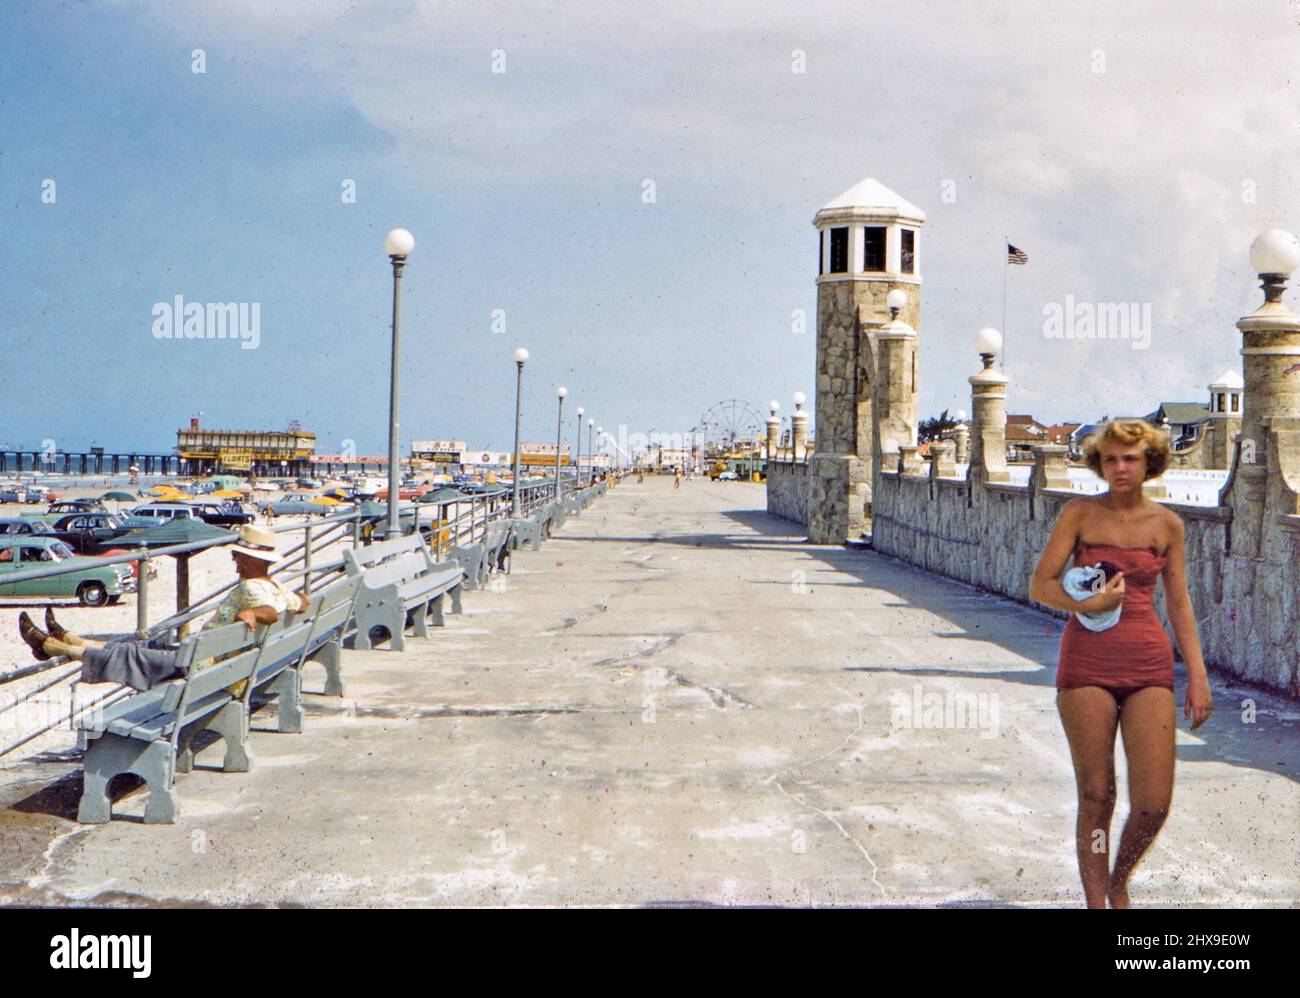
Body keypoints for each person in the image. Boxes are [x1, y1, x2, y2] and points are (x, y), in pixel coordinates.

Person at [1028, 418, 1213, 909]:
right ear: (1099, 464)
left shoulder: (1167, 525)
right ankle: (1096, 902)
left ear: (1149, 462)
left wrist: (1197, 676)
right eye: (1110, 459)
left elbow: (1179, 605)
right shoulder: (1080, 514)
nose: (1120, 468)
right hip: (1086, 664)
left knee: (1153, 803)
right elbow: (1041, 584)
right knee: (1097, 796)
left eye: (1130, 458)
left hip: (1149, 664)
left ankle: (1119, 880)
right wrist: (1087, 605)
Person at [18, 524, 307, 692]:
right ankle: (70, 640)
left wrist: (254, 613)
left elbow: (269, 613)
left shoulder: (252, 589)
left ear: (251, 560)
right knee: (140, 646)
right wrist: (291, 602)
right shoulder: (277, 587)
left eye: (237, 556)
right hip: (212, 661)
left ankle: (54, 647)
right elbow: (302, 603)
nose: (234, 560)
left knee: (132, 654)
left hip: (201, 669)